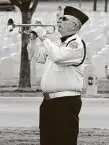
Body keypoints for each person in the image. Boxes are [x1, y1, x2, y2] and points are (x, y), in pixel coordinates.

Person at [27, 6, 89, 145]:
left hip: (65, 102)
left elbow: (57, 57)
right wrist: (33, 40)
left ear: (74, 24)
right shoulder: (57, 43)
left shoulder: (76, 44)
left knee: (64, 139)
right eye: (59, 18)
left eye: (63, 19)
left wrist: (44, 36)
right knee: (47, 140)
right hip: (49, 102)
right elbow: (35, 56)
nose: (59, 21)